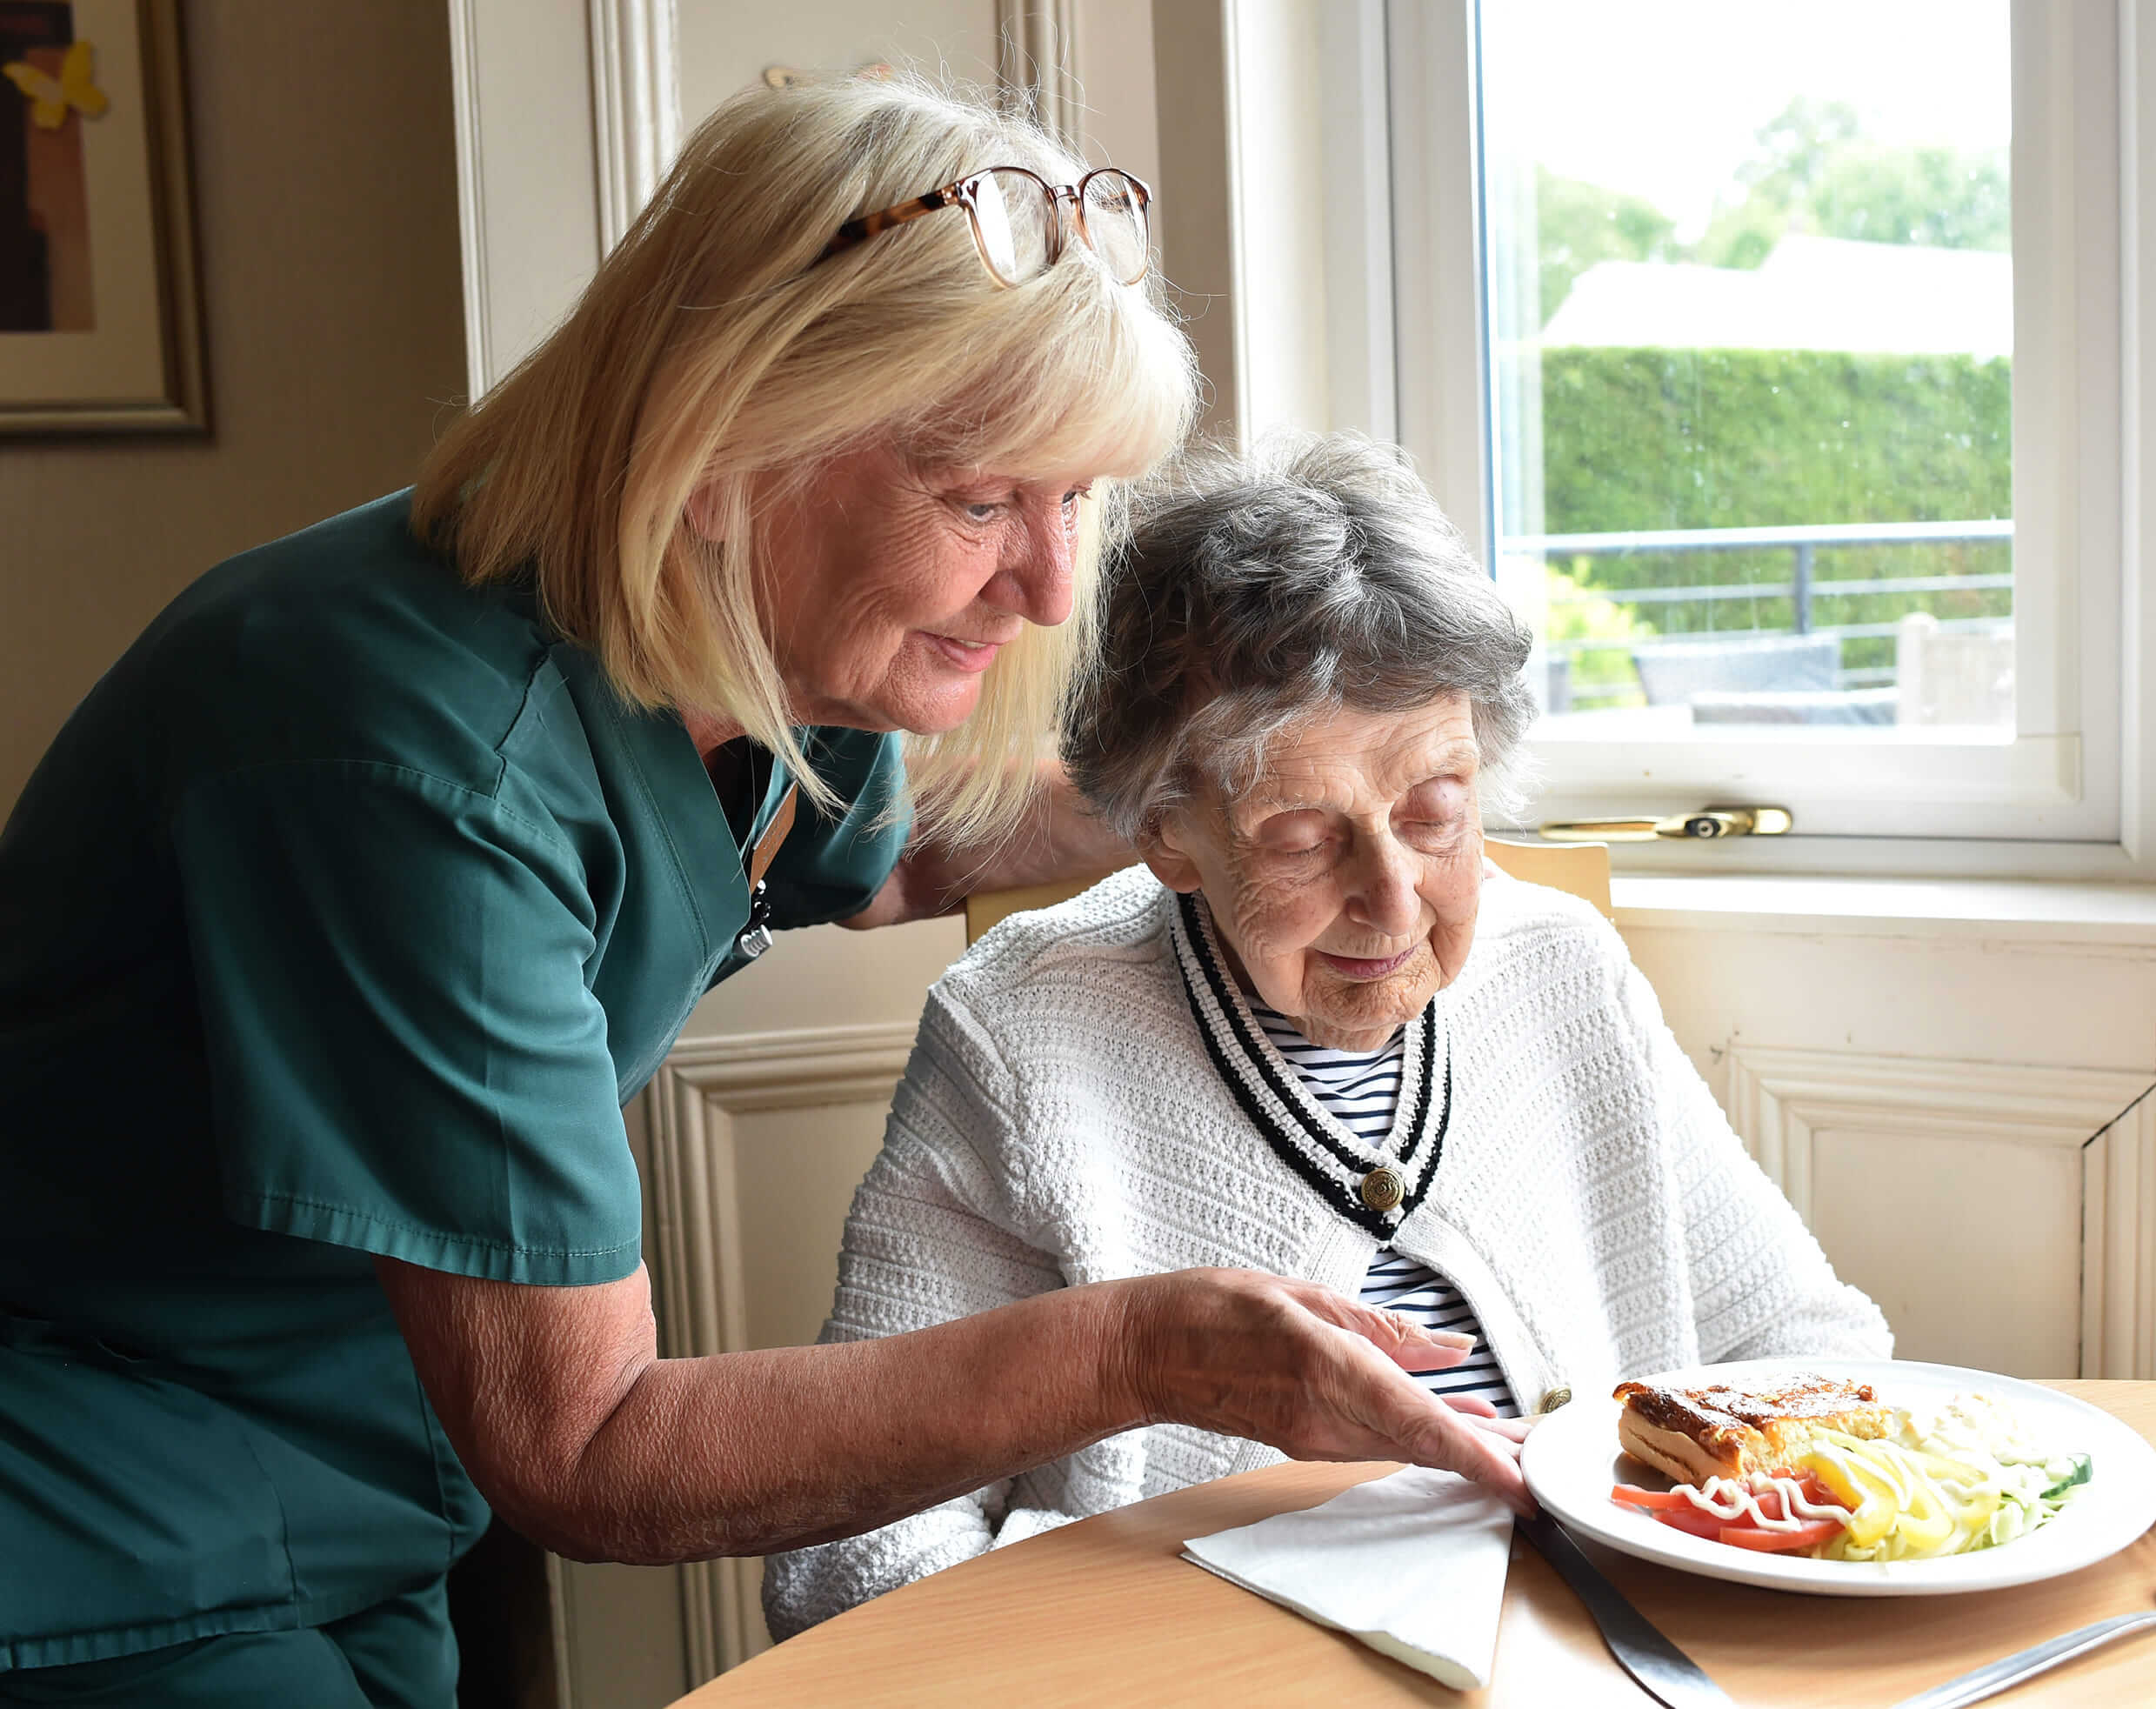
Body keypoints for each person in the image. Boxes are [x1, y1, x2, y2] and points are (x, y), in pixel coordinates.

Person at [0, 82, 1519, 1707]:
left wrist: (1256, 799)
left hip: (342, 1494)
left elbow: (897, 855)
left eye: (1075, 497)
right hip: (96, 1505)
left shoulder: (726, 647)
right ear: (735, 437)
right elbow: (587, 1448)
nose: (1052, 585)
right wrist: (1135, 1351)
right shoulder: (403, 761)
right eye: (982, 499)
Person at [762, 433, 1891, 1632]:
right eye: (1303, 838)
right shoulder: (1021, 1038)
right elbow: (853, 1549)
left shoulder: (1560, 968)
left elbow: (1803, 1347)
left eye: (1435, 815)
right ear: (1166, 831)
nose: (1395, 899)